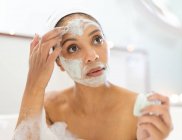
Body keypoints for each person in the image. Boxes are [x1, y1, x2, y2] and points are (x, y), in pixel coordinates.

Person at [14, 9, 173, 140]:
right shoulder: (49, 107)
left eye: (97, 39)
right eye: (73, 48)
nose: (92, 56)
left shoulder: (140, 111)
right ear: (59, 63)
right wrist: (34, 84)